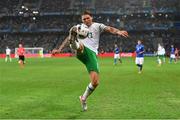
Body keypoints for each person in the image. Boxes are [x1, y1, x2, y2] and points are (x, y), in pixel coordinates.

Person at [52, 10, 128, 111]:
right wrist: (59, 49)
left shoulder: (97, 26)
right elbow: (67, 39)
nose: (86, 20)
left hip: (92, 55)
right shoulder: (80, 27)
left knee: (95, 82)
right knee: (81, 46)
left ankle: (83, 98)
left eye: (87, 18)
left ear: (91, 17)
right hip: (82, 51)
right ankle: (74, 41)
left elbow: (109, 28)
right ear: (82, 20)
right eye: (84, 19)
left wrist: (118, 31)